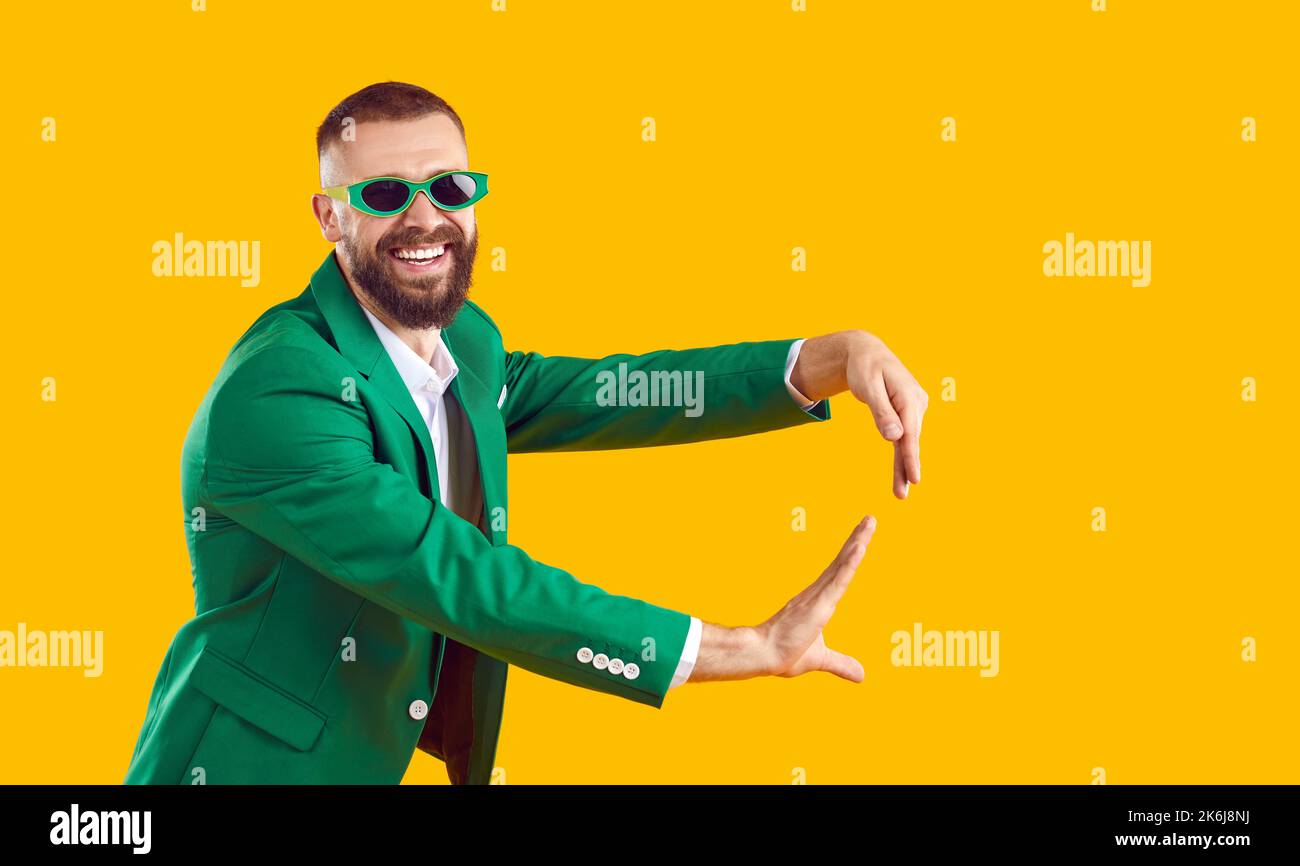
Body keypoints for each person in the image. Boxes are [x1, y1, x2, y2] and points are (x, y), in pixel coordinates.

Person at [124, 81, 929, 785]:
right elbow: (459, 577)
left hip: (374, 752)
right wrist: (739, 647)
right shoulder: (279, 388)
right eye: (382, 195)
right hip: (250, 765)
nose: (424, 217)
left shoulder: (462, 338)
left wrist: (818, 361)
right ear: (330, 216)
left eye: (449, 185)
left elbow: (608, 393)